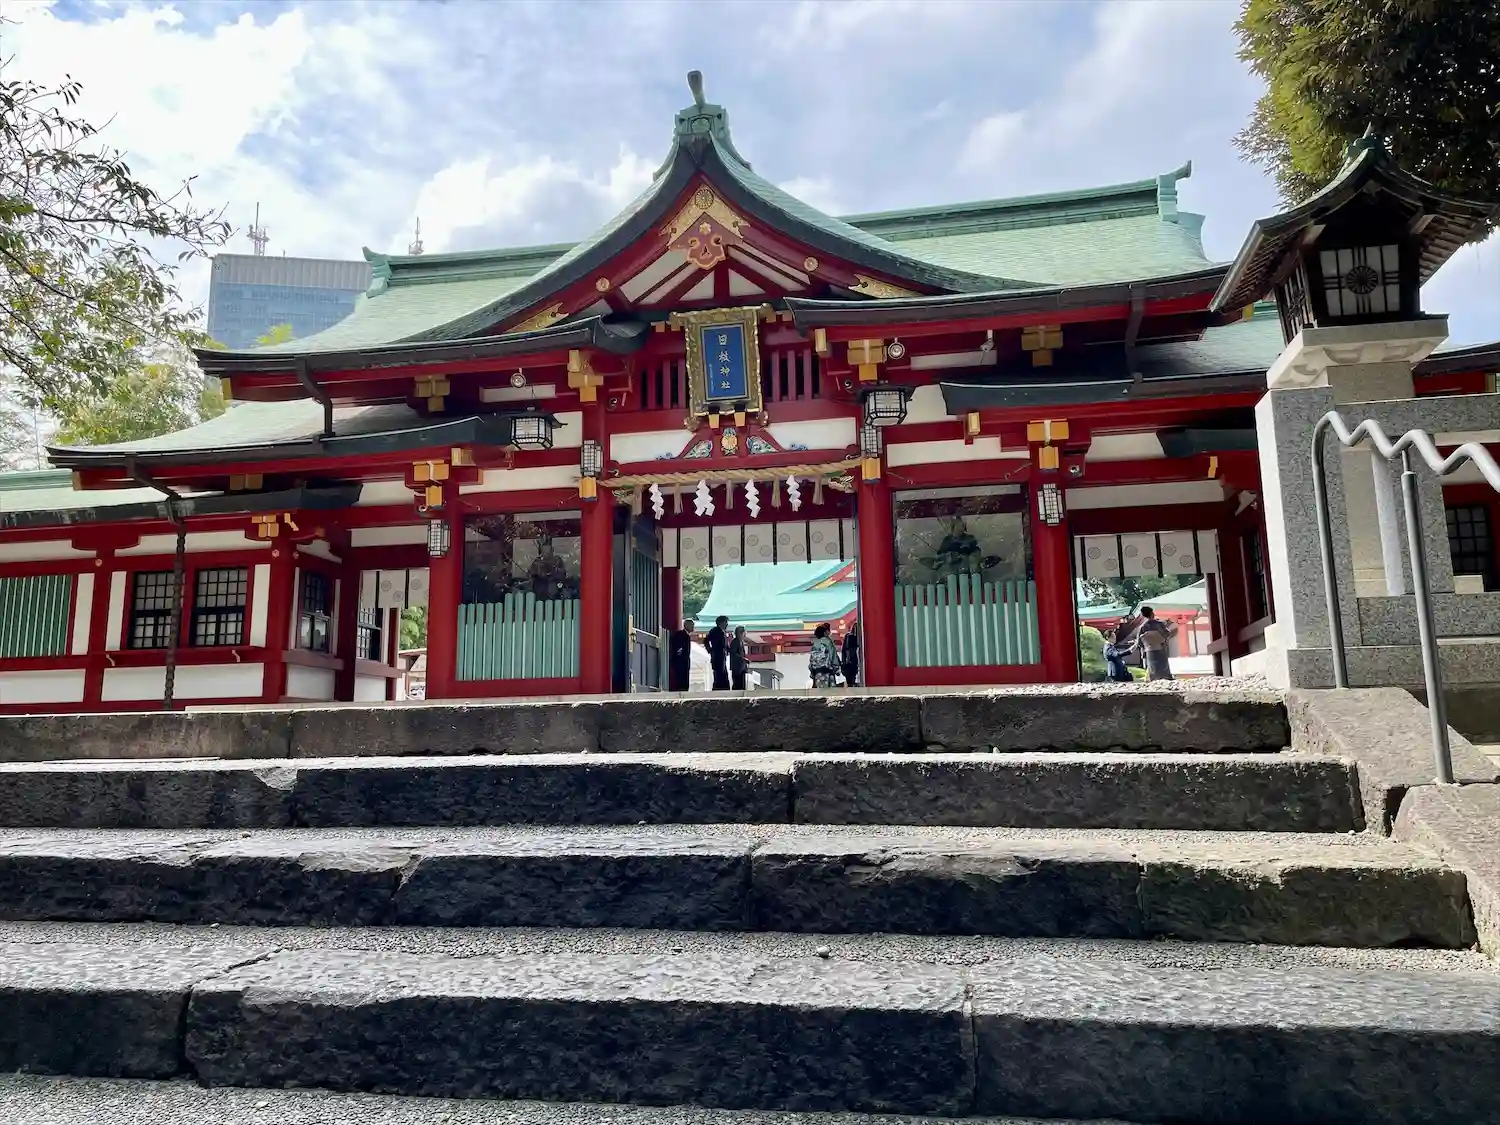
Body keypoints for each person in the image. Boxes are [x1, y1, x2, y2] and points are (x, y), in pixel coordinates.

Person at [1131, 606, 1177, 681]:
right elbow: (1167, 635)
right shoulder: (1160, 624)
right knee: (1163, 666)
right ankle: (1166, 677)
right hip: (1161, 648)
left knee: (1152, 667)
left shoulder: (1142, 627)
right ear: (1152, 613)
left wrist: (1146, 645)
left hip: (1149, 650)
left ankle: (1153, 678)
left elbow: (1139, 642)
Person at [809, 622, 840, 689]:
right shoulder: (828, 642)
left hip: (817, 675)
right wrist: (837, 669)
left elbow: (811, 661)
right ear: (825, 633)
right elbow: (833, 657)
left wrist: (812, 673)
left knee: (820, 693)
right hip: (828, 673)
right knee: (830, 693)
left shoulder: (815, 644)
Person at [668, 618, 694, 692]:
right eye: (692, 625)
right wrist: (679, 653)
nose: (693, 627)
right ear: (686, 625)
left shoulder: (686, 635)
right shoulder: (680, 634)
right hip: (680, 662)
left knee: (685, 679)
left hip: (685, 661)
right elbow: (678, 648)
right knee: (680, 679)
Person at [705, 615, 731, 691]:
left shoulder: (723, 632)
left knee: (723, 675)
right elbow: (706, 640)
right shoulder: (715, 631)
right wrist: (710, 650)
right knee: (719, 676)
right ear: (721, 623)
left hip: (722, 657)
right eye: (726, 622)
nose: (727, 624)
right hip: (717, 657)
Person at [840, 621, 861, 687]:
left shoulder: (847, 636)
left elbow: (843, 651)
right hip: (854, 663)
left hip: (848, 663)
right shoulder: (858, 637)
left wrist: (843, 662)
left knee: (850, 682)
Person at [730, 625, 749, 691]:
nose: (745, 635)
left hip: (742, 668)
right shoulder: (734, 642)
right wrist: (743, 659)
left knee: (742, 686)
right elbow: (734, 654)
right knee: (737, 686)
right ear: (740, 633)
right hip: (737, 669)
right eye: (744, 633)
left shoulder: (741, 642)